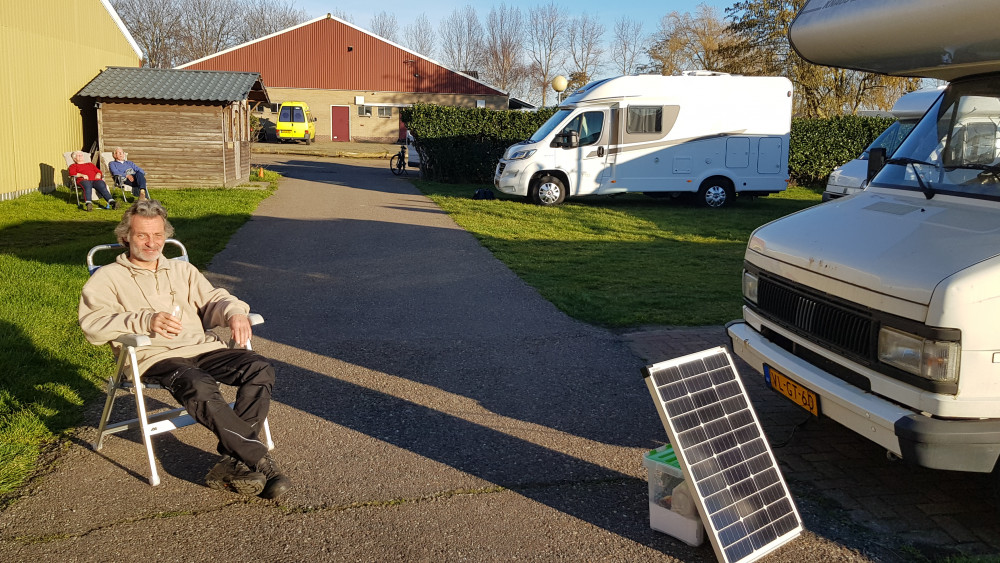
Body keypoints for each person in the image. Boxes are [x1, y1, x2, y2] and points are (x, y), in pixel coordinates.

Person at [78, 199, 291, 499]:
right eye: (142, 236)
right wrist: (145, 320)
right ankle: (258, 460)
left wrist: (235, 312)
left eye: (158, 235)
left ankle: (234, 462)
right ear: (125, 237)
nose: (151, 243)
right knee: (198, 384)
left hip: (201, 347)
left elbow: (214, 298)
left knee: (259, 368)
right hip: (155, 356)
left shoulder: (181, 270)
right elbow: (93, 324)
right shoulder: (108, 278)